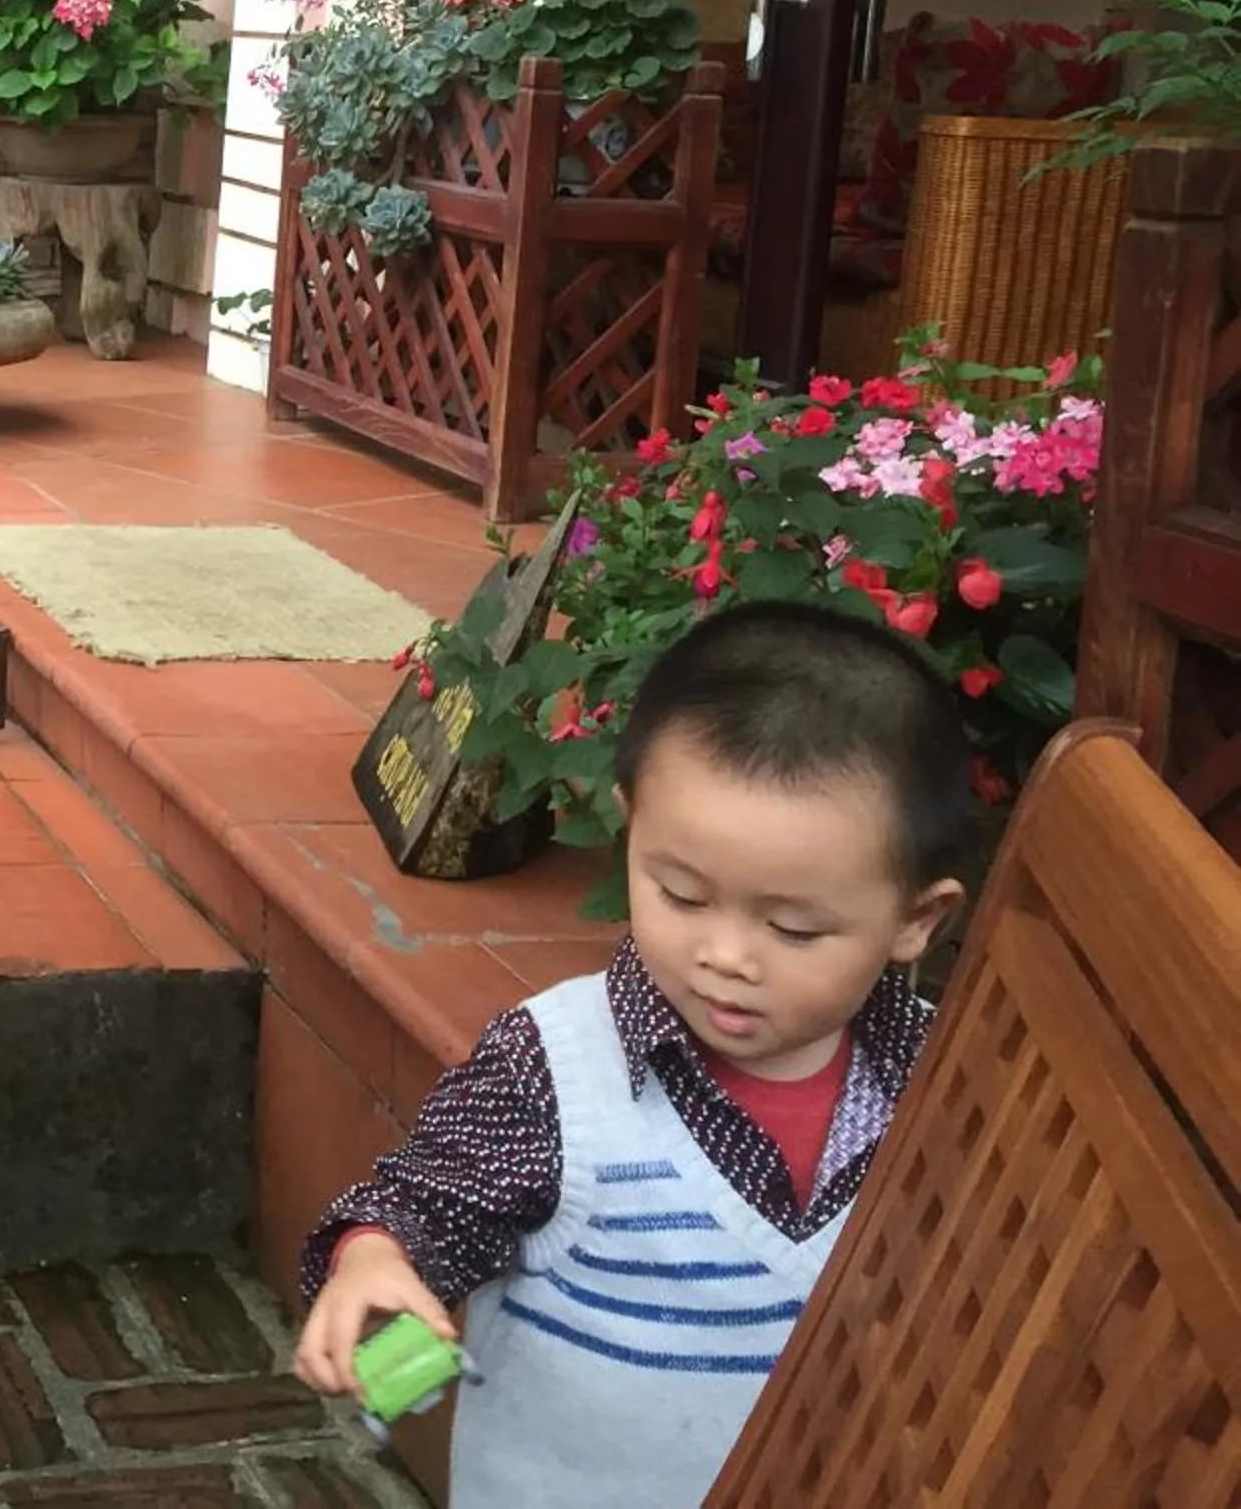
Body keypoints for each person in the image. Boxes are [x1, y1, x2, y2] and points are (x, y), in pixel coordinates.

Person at [293, 601, 972, 1509]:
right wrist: (375, 1263)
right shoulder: (557, 1071)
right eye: (681, 895)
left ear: (916, 920)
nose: (726, 956)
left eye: (793, 928)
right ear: (630, 831)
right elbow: (427, 1199)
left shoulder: (943, 1078)